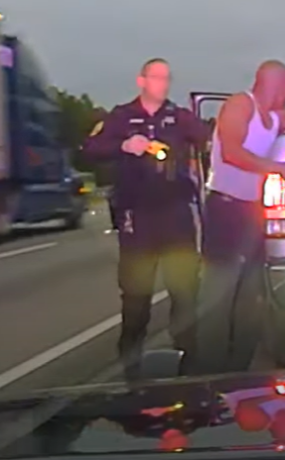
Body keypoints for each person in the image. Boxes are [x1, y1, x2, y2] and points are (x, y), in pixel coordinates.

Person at [190, 60, 285, 375]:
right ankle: (206, 376)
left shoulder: (273, 117)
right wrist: (279, 169)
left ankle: (238, 372)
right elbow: (231, 152)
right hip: (226, 208)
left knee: (250, 298)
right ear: (274, 85)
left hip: (250, 211)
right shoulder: (240, 105)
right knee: (218, 297)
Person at [82, 58, 210, 380]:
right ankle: (130, 370)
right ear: (142, 80)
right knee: (137, 298)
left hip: (175, 215)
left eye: (167, 78)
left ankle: (190, 367)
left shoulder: (179, 118)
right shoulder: (122, 116)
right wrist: (126, 144)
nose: (162, 84)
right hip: (137, 217)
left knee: (185, 292)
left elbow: (212, 138)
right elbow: (91, 147)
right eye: (156, 77)